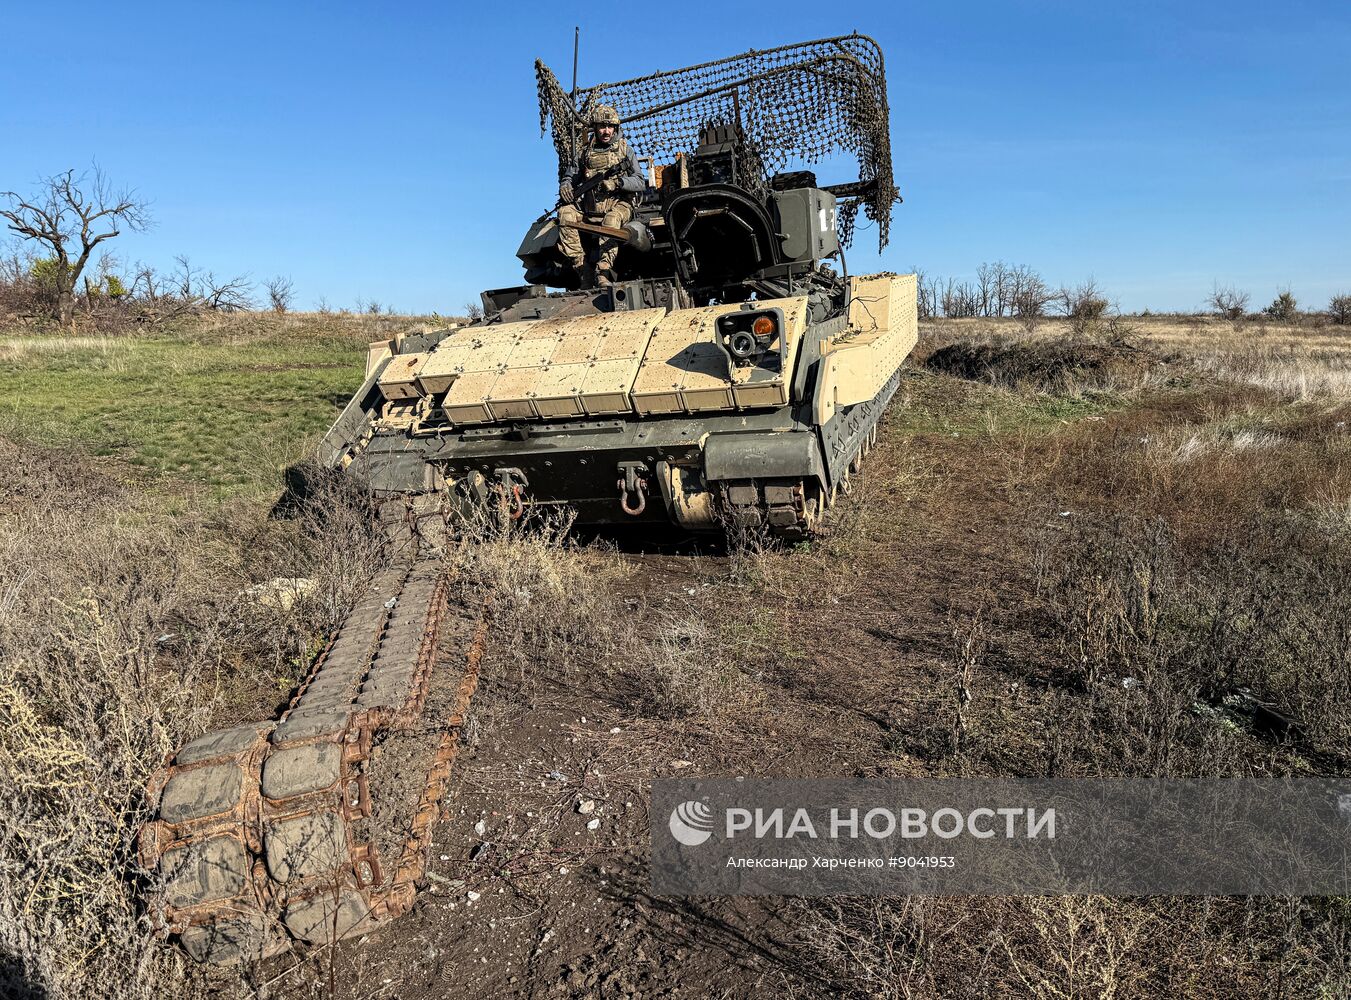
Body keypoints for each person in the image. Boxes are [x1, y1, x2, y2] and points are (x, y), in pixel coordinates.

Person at [557, 105, 646, 287]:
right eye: (602, 127)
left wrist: (618, 183)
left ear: (615, 128)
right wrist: (565, 186)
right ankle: (582, 269)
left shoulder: (625, 151)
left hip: (618, 204)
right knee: (565, 214)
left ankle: (603, 271)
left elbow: (639, 181)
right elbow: (570, 177)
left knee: (611, 221)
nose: (606, 131)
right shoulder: (583, 153)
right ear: (595, 128)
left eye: (610, 126)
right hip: (590, 206)